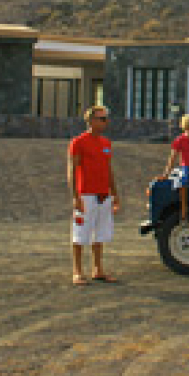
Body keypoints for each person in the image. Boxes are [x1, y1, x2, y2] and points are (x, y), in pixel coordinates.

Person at [68, 105, 120, 286]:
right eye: (102, 118)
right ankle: (77, 271)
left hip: (103, 194)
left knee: (101, 233)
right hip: (86, 194)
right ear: (91, 121)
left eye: (106, 118)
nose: (106, 122)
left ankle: (98, 269)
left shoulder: (106, 143)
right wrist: (75, 196)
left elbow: (108, 169)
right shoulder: (78, 142)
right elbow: (72, 169)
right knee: (80, 233)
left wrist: (114, 193)